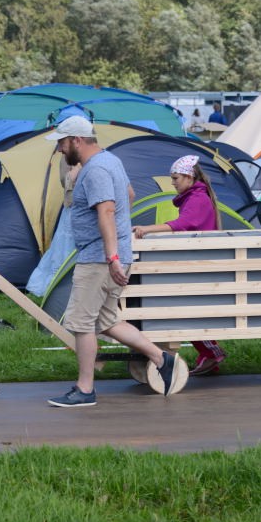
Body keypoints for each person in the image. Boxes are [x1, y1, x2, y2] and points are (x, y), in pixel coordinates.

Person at [45, 115, 186, 407]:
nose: (59, 149)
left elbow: (107, 210)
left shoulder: (95, 170)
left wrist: (110, 256)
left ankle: (85, 390)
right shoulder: (111, 161)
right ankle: (162, 358)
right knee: (106, 320)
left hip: (99, 259)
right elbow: (129, 195)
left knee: (81, 323)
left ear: (77, 140)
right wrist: (119, 243)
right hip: (113, 253)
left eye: (61, 142)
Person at [133, 154, 228, 376]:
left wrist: (147, 228)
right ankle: (208, 353)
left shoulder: (197, 199)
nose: (173, 182)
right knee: (185, 309)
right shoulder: (196, 197)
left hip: (199, 263)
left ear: (188, 176)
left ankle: (211, 352)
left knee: (185, 310)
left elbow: (184, 224)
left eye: (175, 178)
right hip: (197, 261)